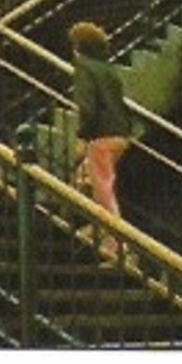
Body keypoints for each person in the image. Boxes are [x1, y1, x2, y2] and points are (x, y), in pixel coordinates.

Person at [70, 20, 135, 256]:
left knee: (102, 189)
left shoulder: (84, 69)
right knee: (85, 177)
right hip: (120, 132)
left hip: (101, 136)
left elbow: (88, 107)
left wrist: (82, 136)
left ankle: (115, 242)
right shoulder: (108, 69)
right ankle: (94, 226)